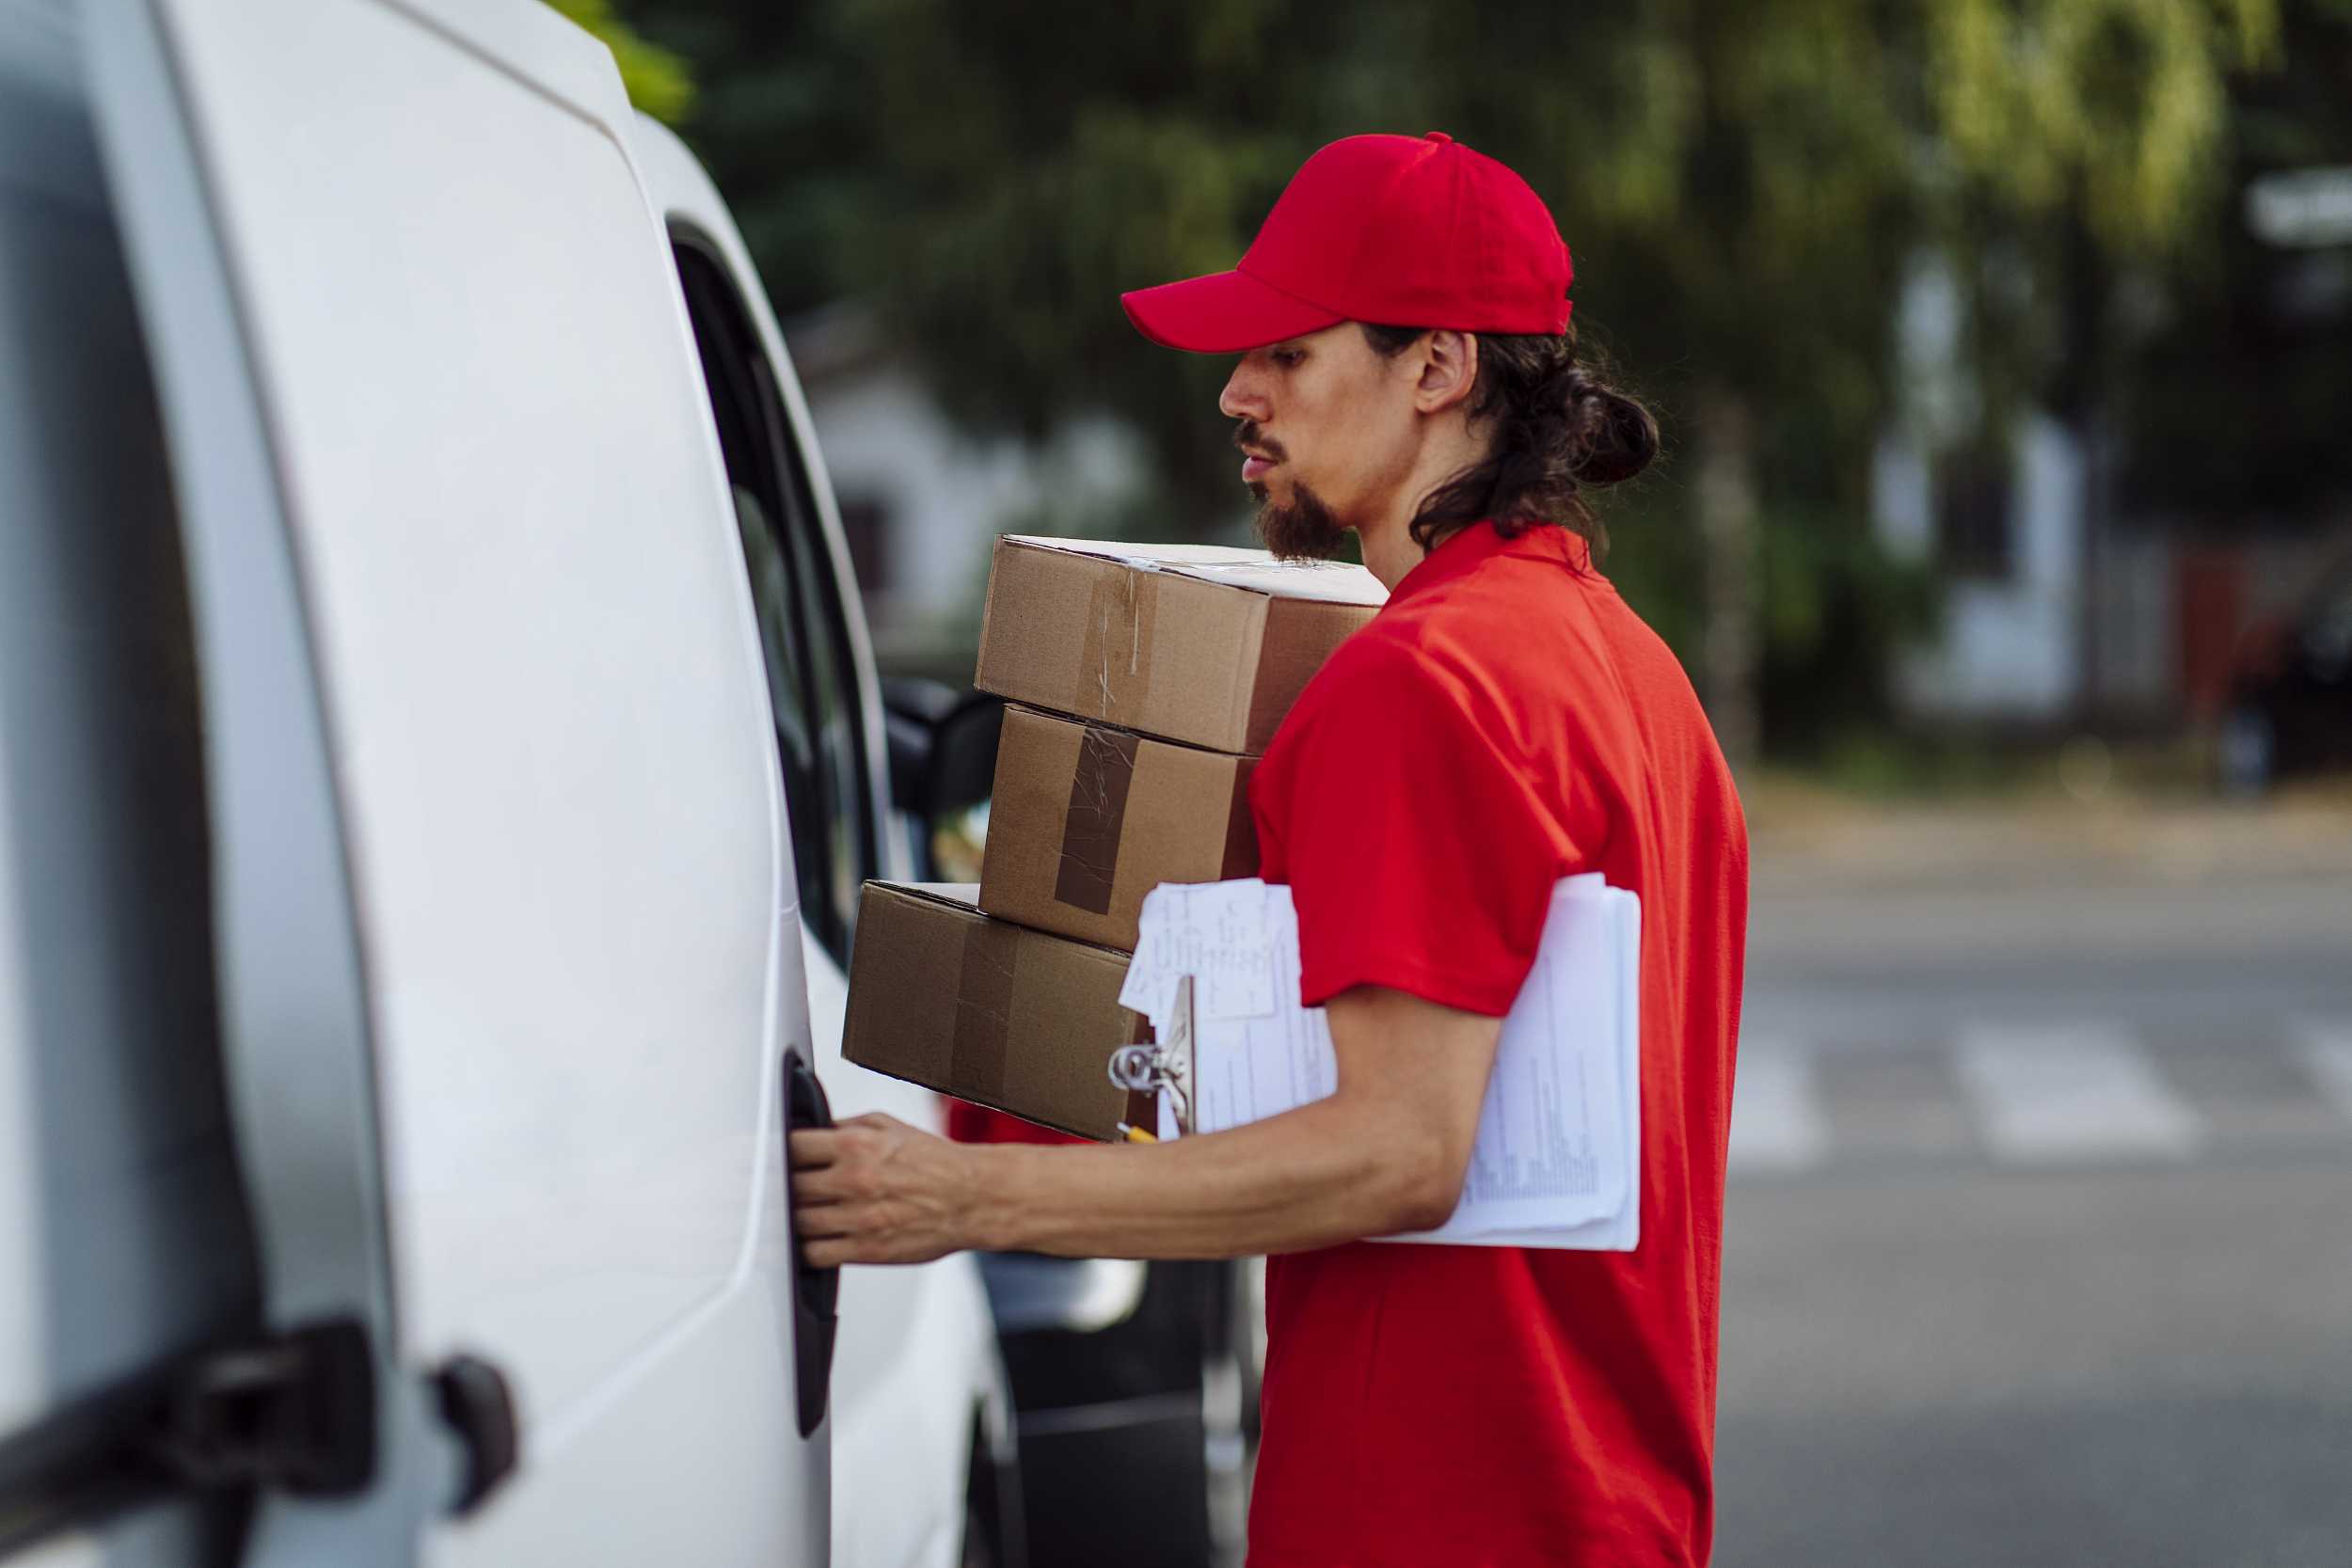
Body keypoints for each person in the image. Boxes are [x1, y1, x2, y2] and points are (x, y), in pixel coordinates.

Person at [790, 131, 1749, 1568]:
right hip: (1605, 1506)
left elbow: (1398, 1152)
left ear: (1438, 368)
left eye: (1288, 354)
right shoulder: (1629, 669)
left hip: (1429, 1518)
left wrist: (962, 1196)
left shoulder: (1421, 682)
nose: (1239, 393)